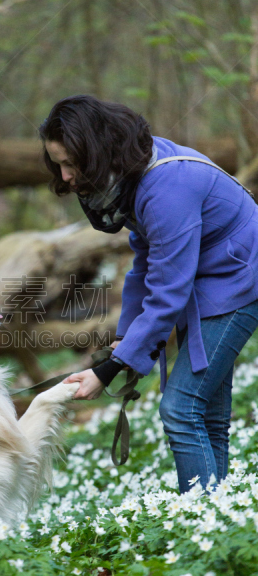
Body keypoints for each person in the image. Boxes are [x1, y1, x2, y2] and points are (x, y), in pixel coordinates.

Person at [39, 94, 258, 494]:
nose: (66, 176)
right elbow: (144, 265)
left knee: (180, 409)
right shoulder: (132, 170)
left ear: (96, 150)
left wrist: (107, 371)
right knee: (206, 413)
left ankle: (201, 523)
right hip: (207, 278)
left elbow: (168, 294)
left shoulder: (166, 188)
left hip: (237, 281)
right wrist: (123, 341)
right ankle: (220, 513)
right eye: (59, 165)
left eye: (71, 163)